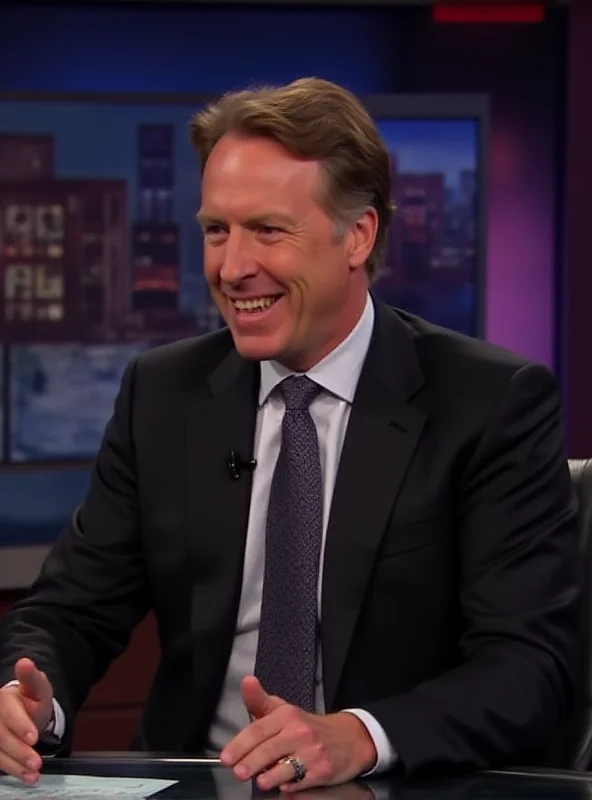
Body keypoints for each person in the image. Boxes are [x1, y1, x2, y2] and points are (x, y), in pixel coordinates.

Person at [0, 77, 580, 791]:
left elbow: (530, 667)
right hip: (197, 781)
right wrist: (29, 701)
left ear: (357, 236)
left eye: (268, 230)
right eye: (217, 230)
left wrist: (359, 736)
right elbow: (71, 610)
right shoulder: (163, 393)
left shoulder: (491, 404)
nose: (232, 266)